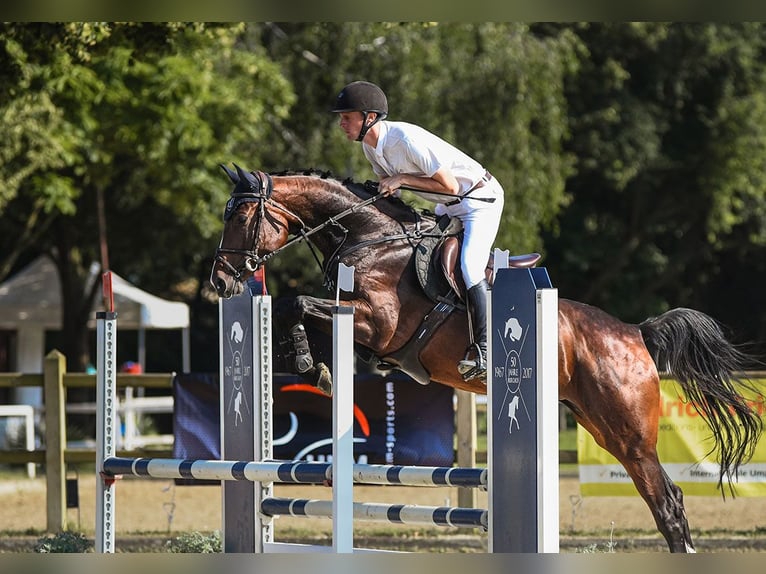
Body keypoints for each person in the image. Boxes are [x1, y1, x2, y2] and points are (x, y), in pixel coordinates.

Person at [331, 80, 505, 382]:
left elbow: (448, 185)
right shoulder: (371, 148)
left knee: (469, 266)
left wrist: (400, 179)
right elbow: (393, 191)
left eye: (348, 117)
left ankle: (486, 351)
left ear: (369, 118)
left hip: (479, 202)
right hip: (448, 207)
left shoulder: (403, 139)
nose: (342, 123)